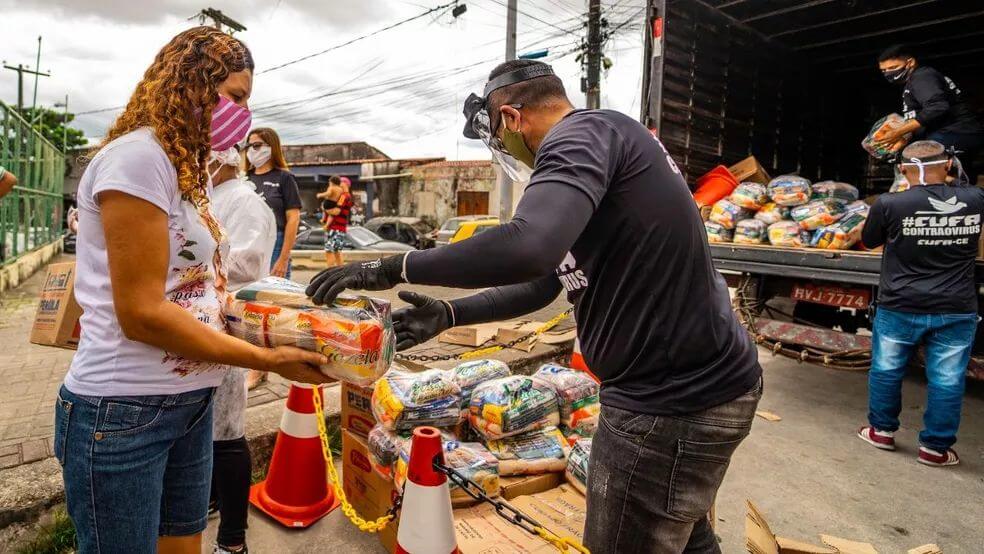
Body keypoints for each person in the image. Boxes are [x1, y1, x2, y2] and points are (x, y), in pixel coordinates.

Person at [305, 59, 763, 553]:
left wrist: (396, 267)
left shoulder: (580, 136)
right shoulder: (600, 147)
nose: (505, 151)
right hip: (696, 390)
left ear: (510, 118)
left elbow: (528, 246)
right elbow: (540, 283)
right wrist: (450, 314)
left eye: (499, 141)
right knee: (684, 534)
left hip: (669, 403)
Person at [54, 27, 329, 554]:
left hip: (192, 402)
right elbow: (142, 313)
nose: (243, 116)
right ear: (193, 83)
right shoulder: (137, 159)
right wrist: (267, 361)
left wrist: (280, 326)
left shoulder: (188, 168)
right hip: (124, 410)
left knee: (184, 544)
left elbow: (200, 286)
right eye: (235, 97)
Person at [858, 140, 983, 468]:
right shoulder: (976, 199)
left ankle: (881, 431)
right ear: (949, 165)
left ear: (902, 170)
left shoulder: (889, 203)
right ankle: (935, 449)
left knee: (886, 370)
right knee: (948, 379)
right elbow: (963, 188)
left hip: (900, 304)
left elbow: (869, 241)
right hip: (956, 307)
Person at [206, 145, 276, 554]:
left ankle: (233, 539)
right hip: (203, 322)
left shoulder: (246, 202)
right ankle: (212, 498)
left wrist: (194, 265)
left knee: (228, 432)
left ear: (220, 159)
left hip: (228, 321)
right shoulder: (209, 196)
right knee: (207, 430)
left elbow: (248, 263)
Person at [874, 44, 984, 182]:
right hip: (950, 134)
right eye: (884, 70)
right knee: (950, 177)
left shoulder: (922, 77)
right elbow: (922, 118)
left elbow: (937, 107)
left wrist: (898, 132)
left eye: (893, 67)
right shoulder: (915, 81)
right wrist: (903, 138)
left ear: (910, 62)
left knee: (921, 168)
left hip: (953, 132)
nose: (888, 73)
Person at [244, 127, 300, 279]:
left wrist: (283, 259)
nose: (251, 150)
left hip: (276, 243)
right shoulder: (244, 178)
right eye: (249, 146)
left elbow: (293, 219)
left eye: (257, 145)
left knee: (272, 293)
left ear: (271, 147)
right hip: (247, 242)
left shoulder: (285, 177)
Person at [316, 175, 352, 267]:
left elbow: (336, 211)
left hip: (335, 227)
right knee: (337, 251)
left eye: (341, 183)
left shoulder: (343, 196)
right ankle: (340, 271)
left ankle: (330, 271)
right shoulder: (345, 196)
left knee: (329, 250)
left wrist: (325, 209)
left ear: (345, 184)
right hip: (340, 228)